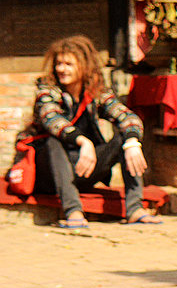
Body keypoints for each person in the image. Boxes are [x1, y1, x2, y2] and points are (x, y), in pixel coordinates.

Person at [19, 34, 161, 229]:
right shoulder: (47, 89)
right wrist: (83, 141)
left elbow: (128, 117)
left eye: (69, 64)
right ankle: (73, 211)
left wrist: (132, 142)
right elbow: (51, 119)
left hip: (83, 169)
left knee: (124, 138)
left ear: (84, 66)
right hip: (49, 172)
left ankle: (135, 208)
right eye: (59, 64)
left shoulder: (96, 92)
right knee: (53, 141)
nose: (62, 69)